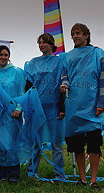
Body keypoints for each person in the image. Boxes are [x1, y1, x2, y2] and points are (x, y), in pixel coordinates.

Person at [60, 23, 104, 189]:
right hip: (74, 105)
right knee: (77, 145)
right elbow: (64, 75)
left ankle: (93, 179)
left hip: (92, 105)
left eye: (78, 33)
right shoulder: (67, 56)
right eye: (73, 33)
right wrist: (65, 84)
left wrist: (101, 102)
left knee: (94, 144)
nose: (75, 36)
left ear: (86, 35)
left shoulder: (97, 53)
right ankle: (82, 178)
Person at [24, 34, 66, 181]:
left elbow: (62, 85)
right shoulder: (33, 63)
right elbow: (28, 86)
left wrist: (62, 108)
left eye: (44, 42)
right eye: (39, 43)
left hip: (53, 107)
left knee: (56, 143)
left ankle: (60, 175)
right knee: (36, 141)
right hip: (37, 107)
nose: (41, 45)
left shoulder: (59, 61)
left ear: (51, 44)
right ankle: (32, 172)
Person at [0, 45, 26, 182]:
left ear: (9, 57)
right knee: (0, 145)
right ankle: (3, 174)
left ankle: (14, 173)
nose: (3, 57)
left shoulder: (17, 73)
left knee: (11, 144)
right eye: (1, 55)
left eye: (6, 55)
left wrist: (19, 109)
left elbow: (22, 92)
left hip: (12, 114)